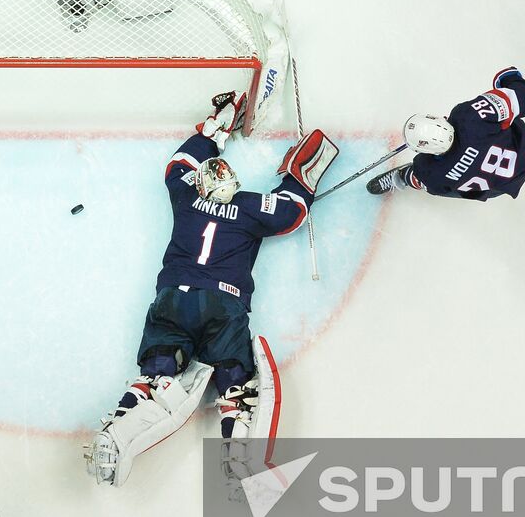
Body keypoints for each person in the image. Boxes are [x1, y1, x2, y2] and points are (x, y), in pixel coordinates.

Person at [84, 91, 337, 486]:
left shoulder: (186, 196)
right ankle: (238, 459)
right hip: (223, 302)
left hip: (172, 298)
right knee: (235, 381)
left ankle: (121, 422)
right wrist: (298, 176)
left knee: (157, 370)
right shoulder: (251, 207)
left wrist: (214, 128)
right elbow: (292, 212)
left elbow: (179, 163)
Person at [366, 67, 525, 200]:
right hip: (522, 149)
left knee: (429, 181)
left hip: (501, 186)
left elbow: (438, 179)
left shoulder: (431, 171)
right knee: (519, 138)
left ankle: (405, 177)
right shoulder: (470, 117)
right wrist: (507, 79)